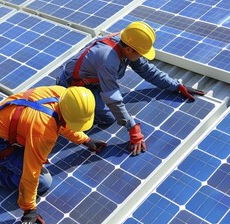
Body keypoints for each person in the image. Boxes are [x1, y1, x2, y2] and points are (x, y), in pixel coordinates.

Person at [0, 85, 107, 224]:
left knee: (34, 160)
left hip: (9, 125)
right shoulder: (43, 131)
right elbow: (32, 172)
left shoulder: (64, 94)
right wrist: (29, 209)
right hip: (0, 142)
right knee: (43, 182)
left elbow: (63, 121)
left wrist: (86, 140)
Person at [56, 21, 205, 156]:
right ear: (129, 49)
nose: (142, 56)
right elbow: (113, 98)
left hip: (93, 84)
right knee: (107, 117)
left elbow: (147, 70)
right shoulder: (108, 60)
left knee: (110, 116)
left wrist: (176, 85)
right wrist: (132, 128)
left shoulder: (126, 42)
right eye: (141, 53)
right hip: (72, 86)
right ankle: (66, 112)